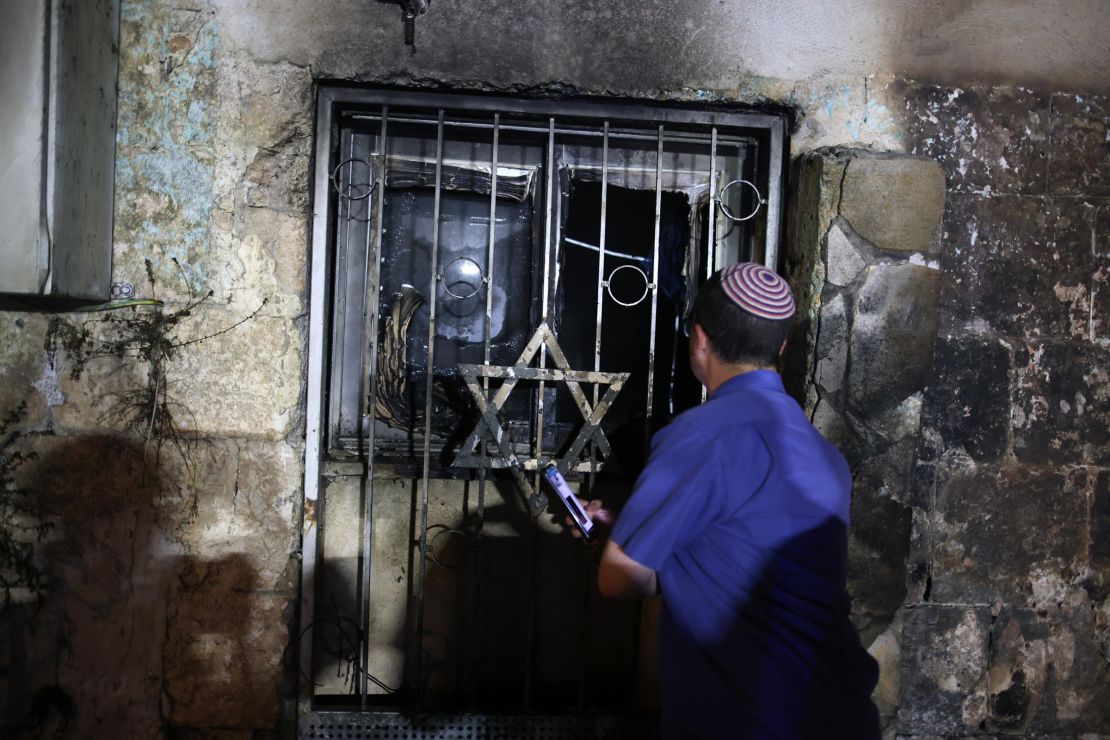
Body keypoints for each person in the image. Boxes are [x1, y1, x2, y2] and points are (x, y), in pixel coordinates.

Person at [580, 263, 880, 739]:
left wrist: (618, 547)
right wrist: (636, 533)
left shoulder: (701, 436)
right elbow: (738, 557)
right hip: (840, 714)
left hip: (749, 718)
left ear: (699, 340)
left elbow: (619, 579)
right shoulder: (824, 455)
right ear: (781, 348)